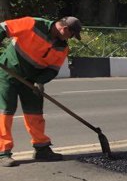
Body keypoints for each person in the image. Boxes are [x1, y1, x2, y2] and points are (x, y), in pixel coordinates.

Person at [0, 16, 81, 167]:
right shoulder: (33, 23)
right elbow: (3, 28)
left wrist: (40, 81)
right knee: (5, 112)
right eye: (71, 34)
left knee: (35, 113)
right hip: (8, 72)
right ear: (64, 29)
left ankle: (41, 148)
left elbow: (52, 69)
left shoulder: (62, 47)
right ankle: (3, 152)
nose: (71, 38)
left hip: (31, 80)